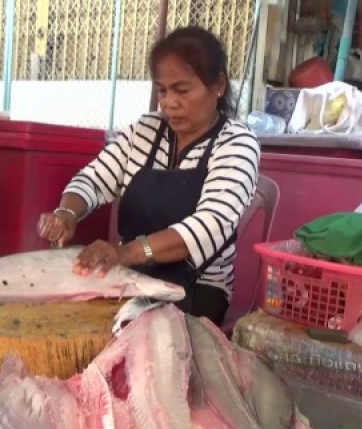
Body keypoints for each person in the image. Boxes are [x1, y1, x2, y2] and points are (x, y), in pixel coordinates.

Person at [37, 26, 261, 325]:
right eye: (162, 90)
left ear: (218, 85)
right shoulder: (145, 131)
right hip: (131, 275)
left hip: (198, 287)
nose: (169, 103)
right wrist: (67, 213)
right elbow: (92, 179)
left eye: (182, 91)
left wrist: (126, 252)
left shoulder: (236, 143)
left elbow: (211, 225)